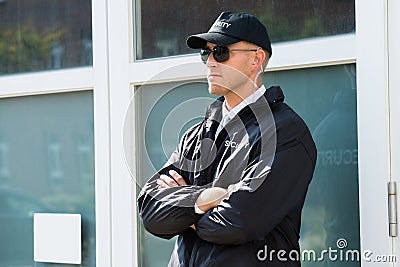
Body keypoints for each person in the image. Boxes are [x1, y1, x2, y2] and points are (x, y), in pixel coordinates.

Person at [138, 11, 317, 267]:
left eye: (220, 51)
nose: (210, 61)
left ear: (256, 59)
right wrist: (204, 199)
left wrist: (181, 206)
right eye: (205, 53)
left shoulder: (285, 133)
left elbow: (238, 223)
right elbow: (151, 212)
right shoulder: (197, 134)